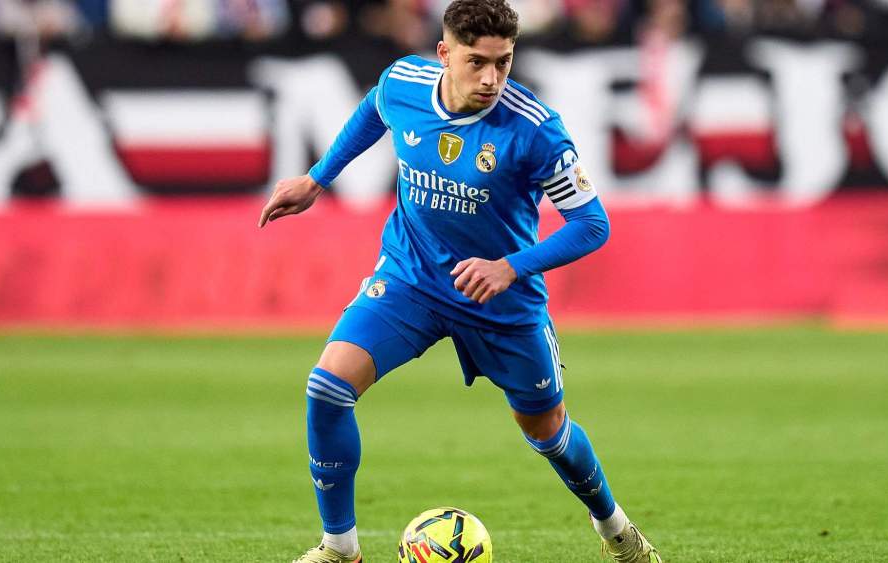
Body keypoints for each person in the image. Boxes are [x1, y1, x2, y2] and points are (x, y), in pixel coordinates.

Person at [258, 0, 662, 561]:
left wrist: (510, 267)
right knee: (327, 387)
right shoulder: (404, 82)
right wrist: (318, 177)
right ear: (445, 53)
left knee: (549, 433)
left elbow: (593, 225)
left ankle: (615, 529)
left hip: (501, 300)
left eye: (504, 62)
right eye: (477, 62)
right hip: (412, 280)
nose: (492, 78)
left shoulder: (536, 130)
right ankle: (339, 548)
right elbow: (377, 108)